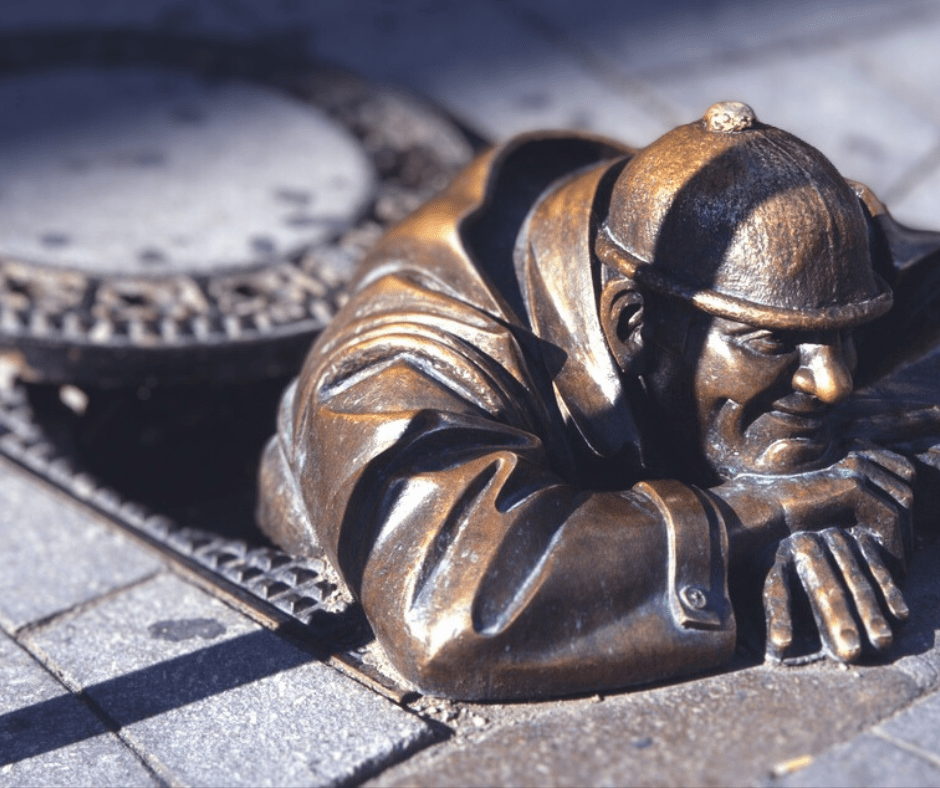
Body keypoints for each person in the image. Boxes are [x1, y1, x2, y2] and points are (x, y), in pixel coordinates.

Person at [258, 102, 927, 700]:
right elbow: (451, 610)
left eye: (846, 335)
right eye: (771, 343)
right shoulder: (403, 359)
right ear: (631, 322)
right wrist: (763, 514)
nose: (834, 380)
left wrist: (834, 474)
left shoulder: (817, 252)